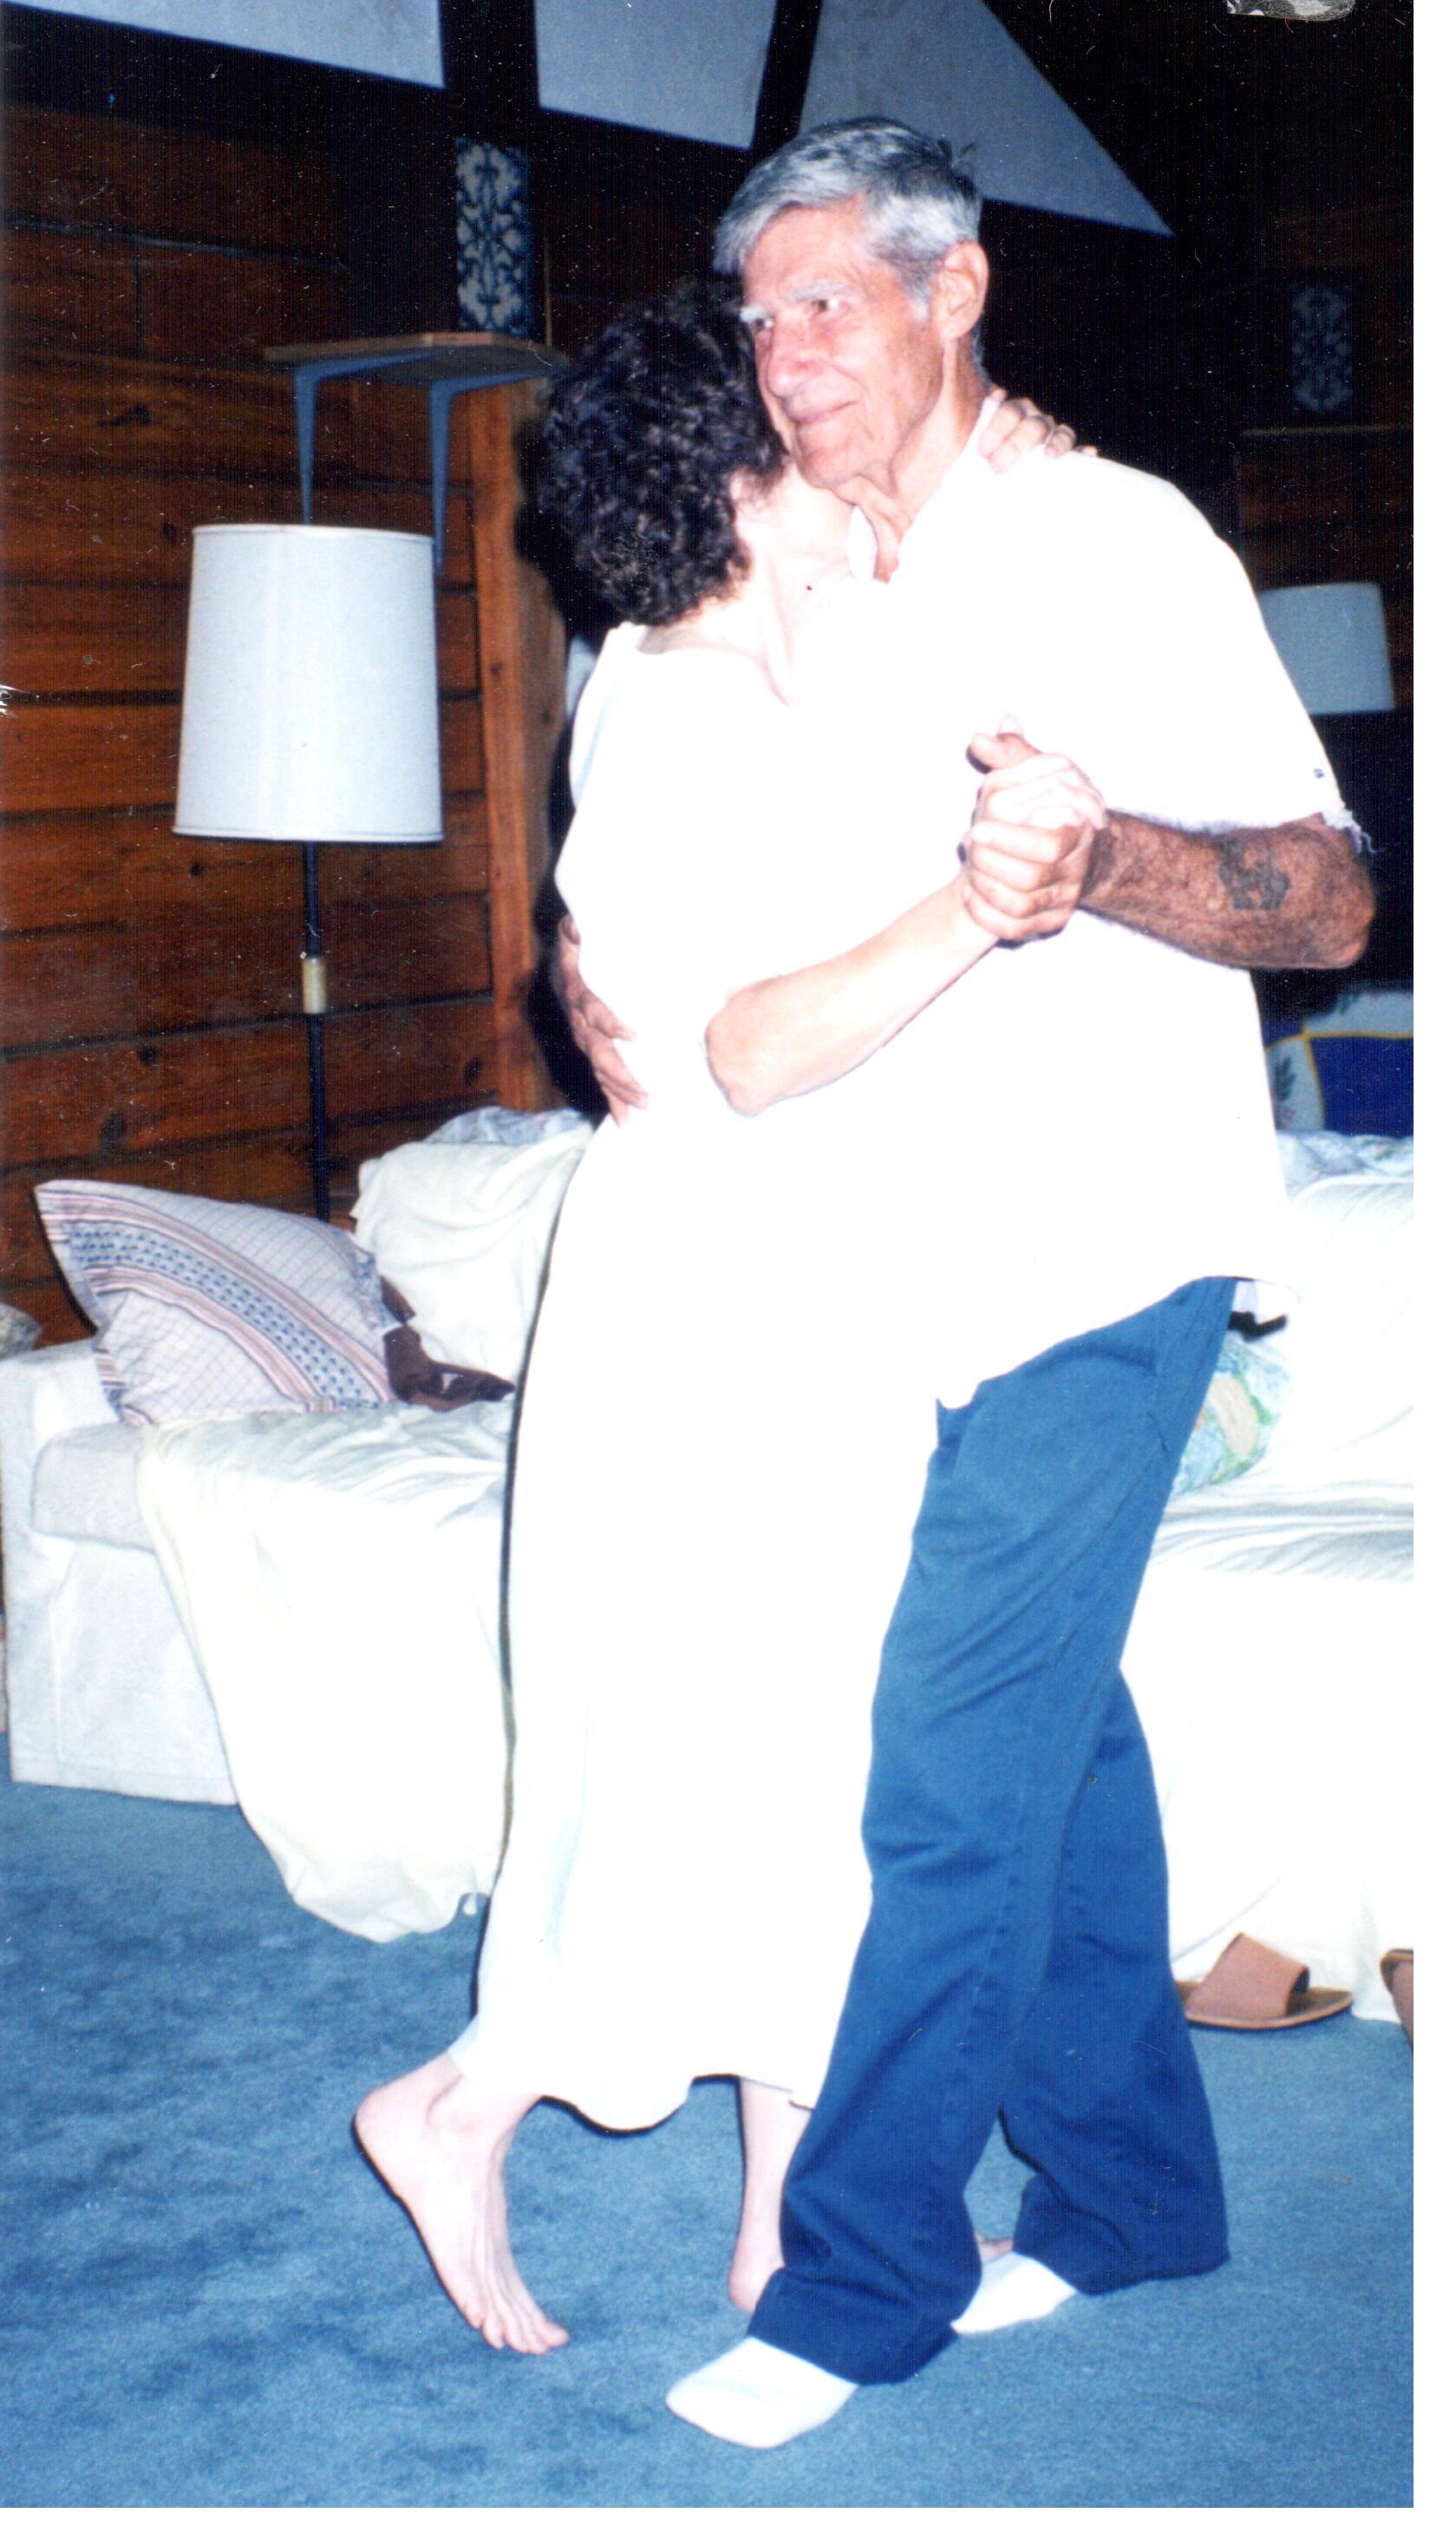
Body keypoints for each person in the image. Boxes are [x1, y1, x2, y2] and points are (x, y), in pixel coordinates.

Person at [548, 122, 1372, 2449]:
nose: (788, 356)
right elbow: (689, 844)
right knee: (1052, 1742)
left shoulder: (1120, 544)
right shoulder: (806, 569)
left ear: (957, 293)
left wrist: (1101, 856)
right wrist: (590, 972)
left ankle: (863, 2283)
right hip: (876, 1282)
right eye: (761, 320)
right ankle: (1131, 2201)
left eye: (830, 303)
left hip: (1108, 1249)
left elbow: (1329, 900)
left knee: (942, 1751)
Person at [353, 279, 1081, 2357]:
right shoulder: (673, 701)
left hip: (810, 1277)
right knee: (706, 1747)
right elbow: (749, 1049)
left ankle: (784, 2227)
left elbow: (947, 600)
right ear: (743, 477)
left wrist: (1016, 467)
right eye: (807, 415)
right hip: (717, 1300)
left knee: (809, 1763)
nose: (854, 446)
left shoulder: (791, 652)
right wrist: (981, 900)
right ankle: (457, 2103)